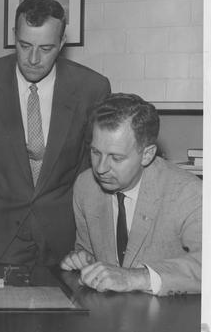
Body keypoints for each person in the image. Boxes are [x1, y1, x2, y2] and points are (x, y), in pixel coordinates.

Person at [0, 0, 110, 265]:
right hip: (2, 222)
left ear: (62, 43)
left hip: (64, 223)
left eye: (46, 48)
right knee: (2, 302)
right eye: (24, 45)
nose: (33, 59)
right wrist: (3, 177)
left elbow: (91, 155)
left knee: (66, 301)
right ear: (14, 35)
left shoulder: (92, 87)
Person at [60, 93, 201, 296]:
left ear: (147, 154)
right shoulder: (86, 186)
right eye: (95, 152)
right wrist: (85, 260)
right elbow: (89, 250)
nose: (100, 168)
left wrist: (135, 277)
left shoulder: (188, 193)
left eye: (116, 158)